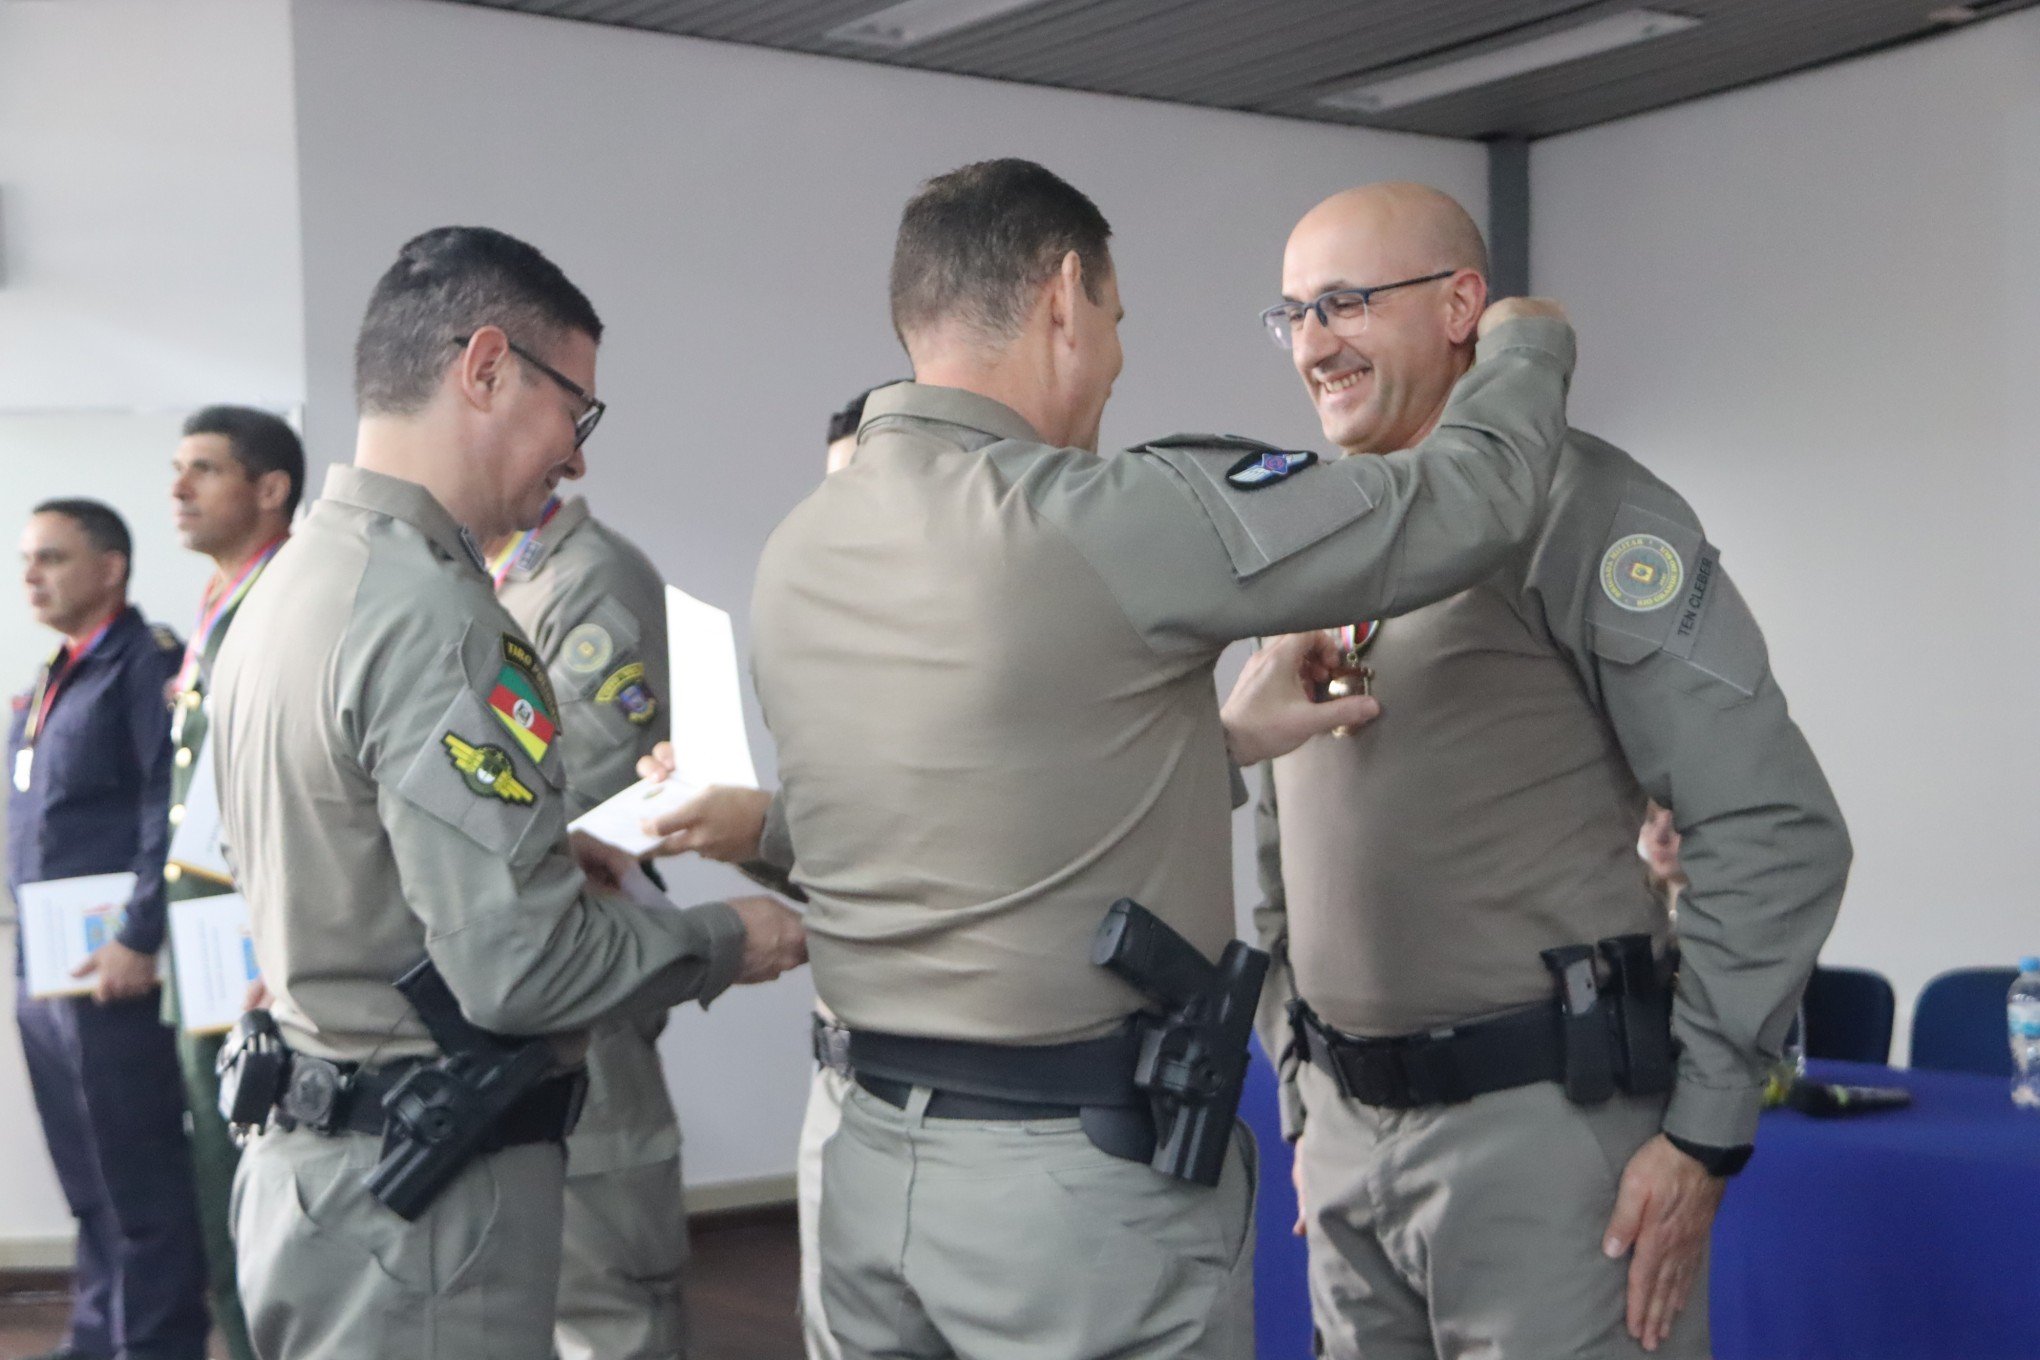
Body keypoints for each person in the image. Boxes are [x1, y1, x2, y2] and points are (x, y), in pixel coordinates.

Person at [741, 157, 1576, 1359]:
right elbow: (1469, 500)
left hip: (860, 1167)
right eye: (1120, 322)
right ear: (1066, 296)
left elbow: (976, 796)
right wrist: (1528, 345)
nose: (1120, 361)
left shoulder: (803, 547)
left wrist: (1224, 739)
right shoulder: (1100, 511)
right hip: (1066, 1193)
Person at [1245, 183, 1852, 1359]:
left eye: (1347, 303)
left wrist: (1703, 1134)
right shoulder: (1313, 535)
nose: (1315, 342)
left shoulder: (1587, 511)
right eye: (1294, 314)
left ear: (1464, 304)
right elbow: (1283, 858)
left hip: (1548, 1147)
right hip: (1350, 1139)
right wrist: (1302, 1099)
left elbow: (1775, 827)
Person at [209, 225, 807, 1360]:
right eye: (574, 412)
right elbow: (521, 968)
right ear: (485, 368)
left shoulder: (290, 585)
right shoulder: (432, 617)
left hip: (318, 1173)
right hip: (426, 1207)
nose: (575, 459)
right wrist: (732, 936)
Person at [489, 496, 691, 1360]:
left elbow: (592, 807)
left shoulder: (588, 580)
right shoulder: (480, 582)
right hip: (505, 969)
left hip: (584, 963)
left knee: (604, 1283)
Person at [9, 499, 210, 1360]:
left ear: (111, 568)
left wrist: (138, 933)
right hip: (46, 967)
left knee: (139, 1182)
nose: (31, 576)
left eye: (52, 558)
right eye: (27, 560)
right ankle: (98, 1341)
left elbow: (161, 811)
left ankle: (154, 1345)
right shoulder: (56, 673)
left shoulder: (142, 664)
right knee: (88, 1184)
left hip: (112, 967)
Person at [162, 403, 303, 1360]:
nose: (178, 488)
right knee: (215, 1156)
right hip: (203, 930)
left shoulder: (287, 599)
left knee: (266, 1164)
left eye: (203, 470)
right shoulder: (219, 605)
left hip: (263, 932)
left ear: (269, 489)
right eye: (178, 468)